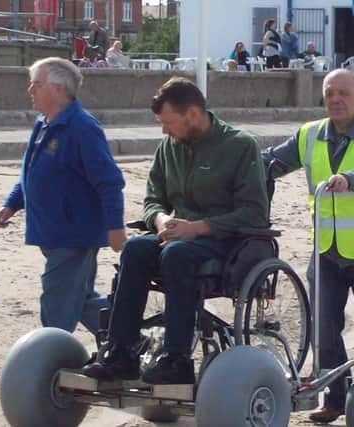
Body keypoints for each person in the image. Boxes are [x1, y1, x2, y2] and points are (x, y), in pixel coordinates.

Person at [81, 77, 269, 384]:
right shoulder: (168, 148)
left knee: (178, 254)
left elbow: (254, 213)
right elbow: (153, 199)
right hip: (177, 236)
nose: (164, 131)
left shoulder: (240, 146)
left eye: (168, 123)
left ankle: (177, 358)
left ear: (193, 114)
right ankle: (121, 351)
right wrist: (160, 220)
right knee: (135, 248)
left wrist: (195, 228)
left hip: (227, 242)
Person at [262, 69, 354, 425]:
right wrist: (239, 163)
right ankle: (336, 398)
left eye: (343, 93)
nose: (336, 100)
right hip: (326, 254)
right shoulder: (310, 135)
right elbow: (272, 161)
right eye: (329, 94)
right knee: (324, 334)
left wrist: (349, 180)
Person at [0, 57, 126, 334]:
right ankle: (130, 339)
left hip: (73, 233)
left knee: (56, 304)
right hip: (51, 230)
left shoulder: (82, 127)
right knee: (79, 298)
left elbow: (109, 181)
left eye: (36, 84)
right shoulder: (44, 123)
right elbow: (32, 170)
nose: (30, 90)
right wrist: (13, 203)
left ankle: (51, 361)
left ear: (57, 88)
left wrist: (115, 227)